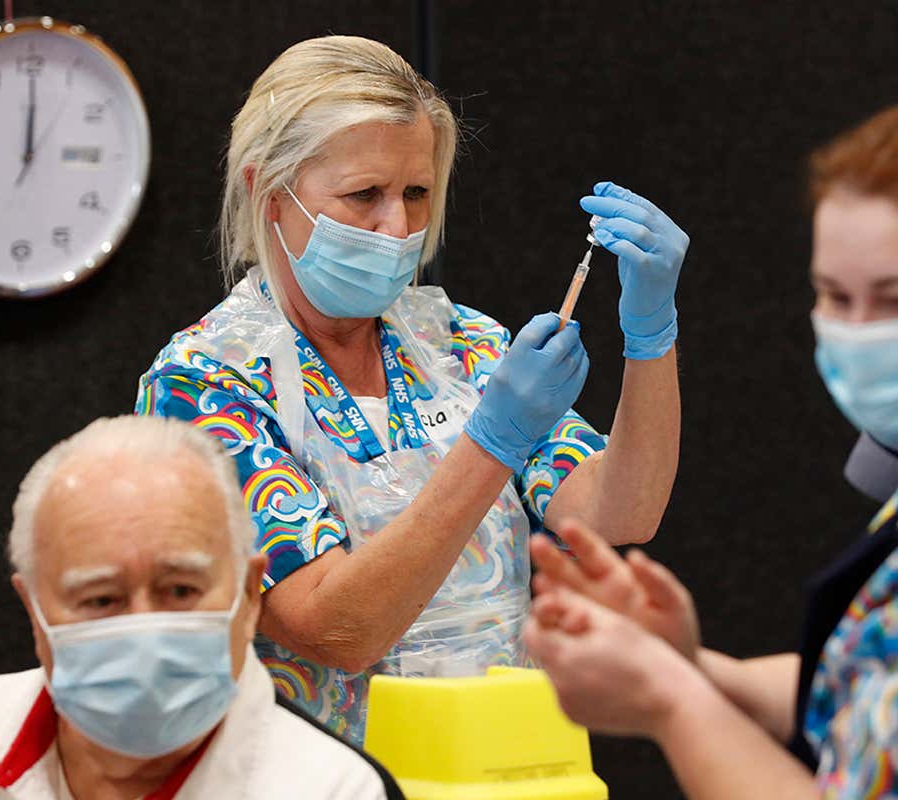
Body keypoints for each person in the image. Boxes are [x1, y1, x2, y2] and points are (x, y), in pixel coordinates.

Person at [135, 35, 686, 741]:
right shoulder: (204, 384)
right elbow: (336, 631)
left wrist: (651, 338)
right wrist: (493, 443)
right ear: (267, 193)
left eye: (416, 193)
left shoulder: (460, 343)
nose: (396, 227)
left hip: (495, 769)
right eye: (364, 194)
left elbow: (618, 516)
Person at [525, 93, 898, 798]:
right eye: (833, 295)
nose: (861, 332)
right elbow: (888, 690)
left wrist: (673, 701)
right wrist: (689, 667)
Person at [0, 416, 403, 799]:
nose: (144, 628)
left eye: (180, 590)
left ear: (249, 594)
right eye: (102, 598)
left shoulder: (331, 790)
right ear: (34, 611)